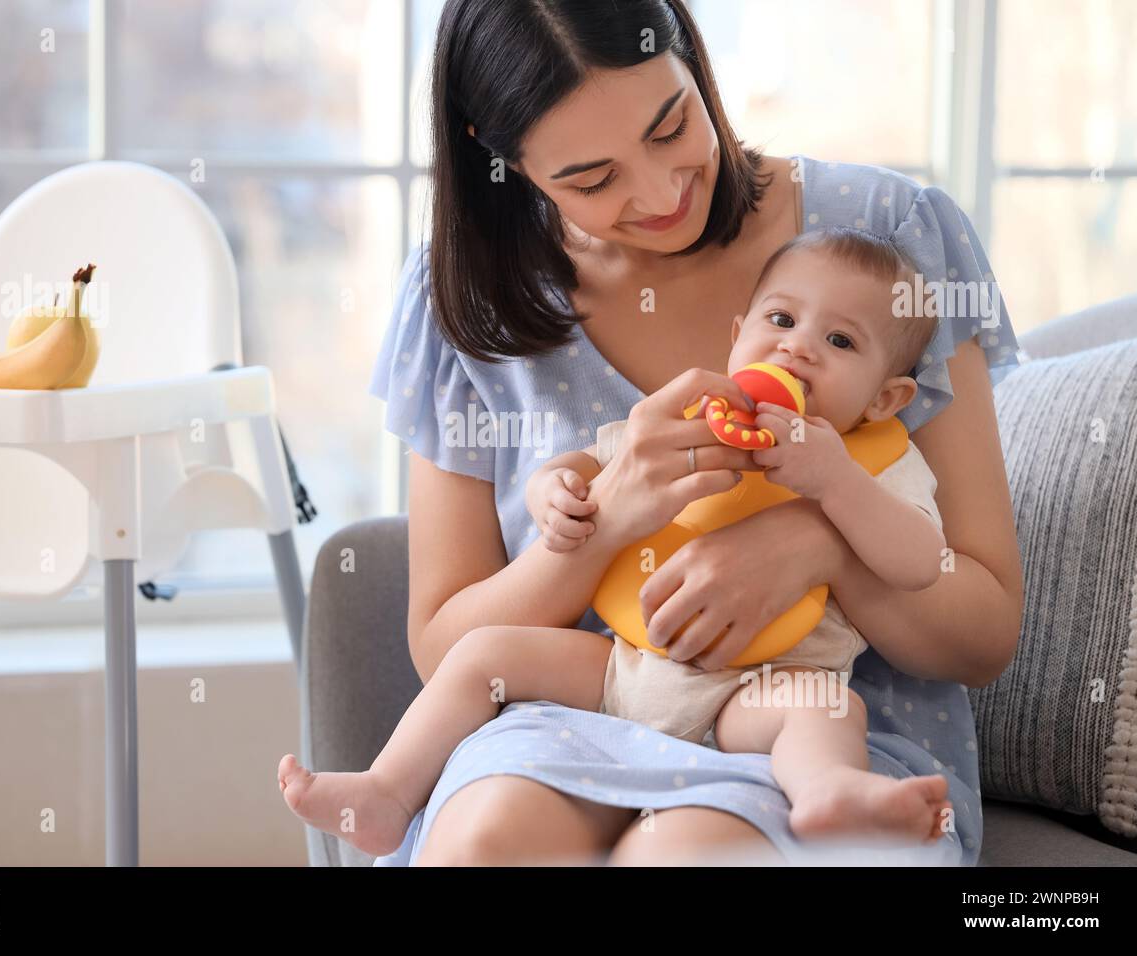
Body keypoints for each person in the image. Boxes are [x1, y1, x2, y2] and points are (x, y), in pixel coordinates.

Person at [363, 0, 1022, 865]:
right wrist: (601, 524)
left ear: (691, 59)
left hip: (812, 737)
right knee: (487, 845)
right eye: (592, 180)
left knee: (686, 855)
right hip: (570, 722)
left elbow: (984, 633)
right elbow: (448, 647)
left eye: (673, 126)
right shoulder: (467, 298)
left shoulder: (884, 240)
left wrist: (819, 542)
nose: (661, 193)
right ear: (501, 157)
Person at [280, 226, 957, 856]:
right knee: (486, 652)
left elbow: (920, 561)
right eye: (780, 320)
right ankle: (389, 790)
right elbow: (596, 464)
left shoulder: (876, 463)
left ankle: (824, 791)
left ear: (884, 400)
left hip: (758, 693)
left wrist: (836, 484)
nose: (798, 347)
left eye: (841, 343)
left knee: (831, 710)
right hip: (626, 669)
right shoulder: (690, 417)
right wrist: (556, 487)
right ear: (736, 336)